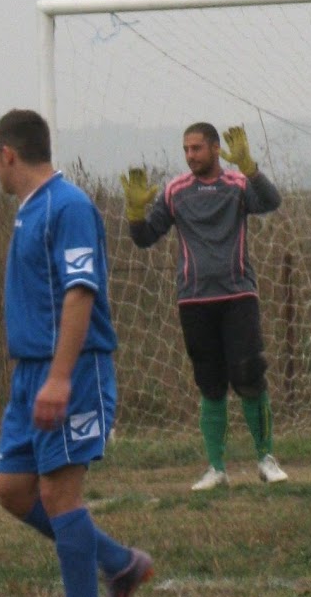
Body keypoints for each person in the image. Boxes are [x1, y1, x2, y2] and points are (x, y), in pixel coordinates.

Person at [0, 109, 153, 597]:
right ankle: (119, 563)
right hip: (31, 372)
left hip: (72, 369)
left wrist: (59, 378)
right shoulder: (30, 210)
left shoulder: (69, 206)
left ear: (7, 154)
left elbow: (80, 292)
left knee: (60, 492)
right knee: (14, 489)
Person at [120, 122, 287, 490]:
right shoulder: (175, 191)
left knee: (249, 376)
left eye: (196, 148)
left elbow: (271, 202)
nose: (190, 155)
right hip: (194, 300)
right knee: (210, 384)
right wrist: (134, 214)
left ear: (215, 149)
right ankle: (216, 468)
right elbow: (146, 238)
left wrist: (251, 169)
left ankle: (266, 459)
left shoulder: (237, 185)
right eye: (186, 149)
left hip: (238, 296)